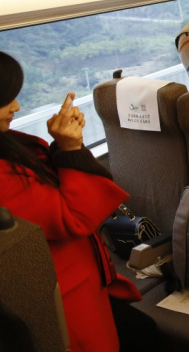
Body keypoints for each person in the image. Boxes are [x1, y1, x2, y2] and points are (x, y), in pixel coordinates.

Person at [0, 51, 157, 352]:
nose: (17, 107)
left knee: (140, 331)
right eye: (5, 99)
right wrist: (71, 147)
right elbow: (72, 217)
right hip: (62, 289)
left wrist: (61, 145)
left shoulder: (9, 141)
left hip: (84, 273)